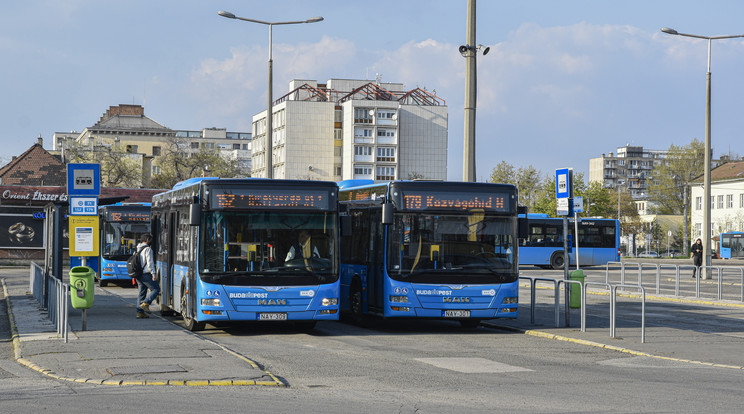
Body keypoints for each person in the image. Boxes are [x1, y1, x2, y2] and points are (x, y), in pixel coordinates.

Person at [135, 233, 160, 318]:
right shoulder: (148, 249)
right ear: (147, 240)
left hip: (138, 274)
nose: (150, 242)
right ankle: (145, 303)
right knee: (156, 289)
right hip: (146, 274)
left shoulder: (137, 248)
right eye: (150, 240)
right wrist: (153, 273)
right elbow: (150, 263)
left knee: (141, 293)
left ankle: (140, 313)